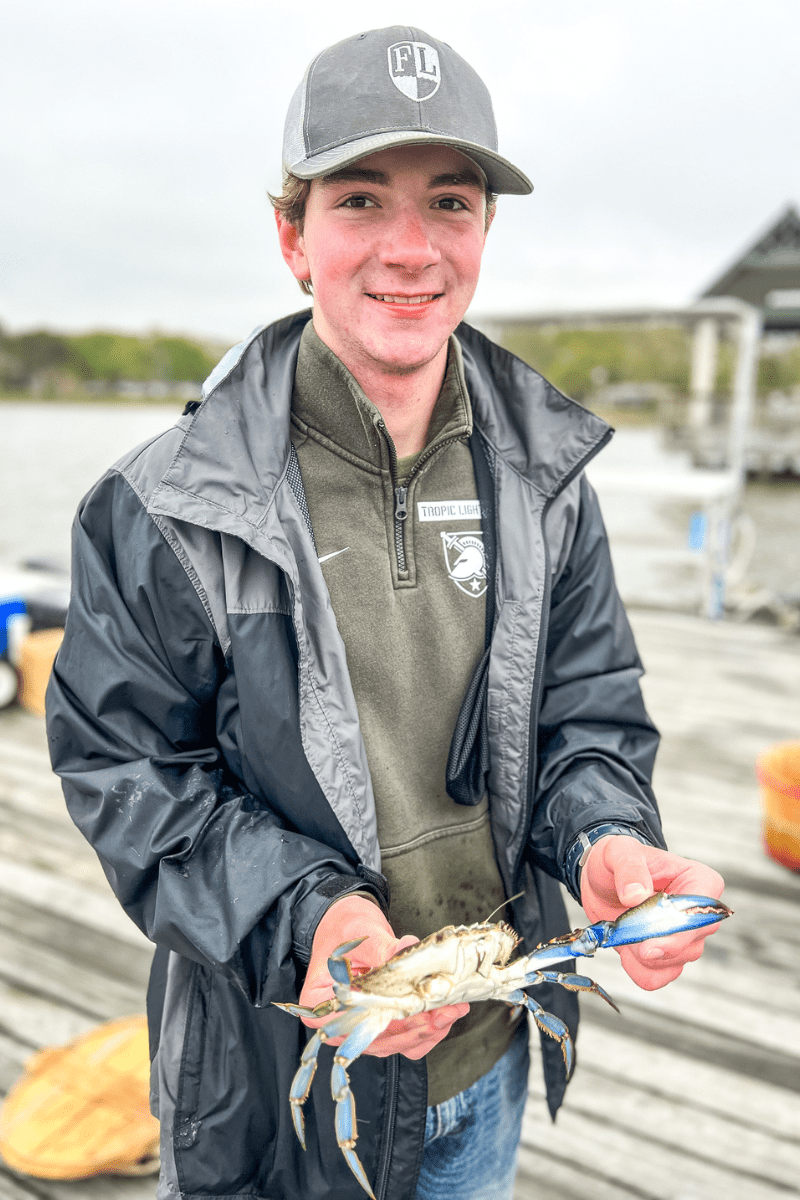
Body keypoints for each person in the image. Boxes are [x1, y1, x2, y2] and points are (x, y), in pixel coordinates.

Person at [46, 26, 725, 1200]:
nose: (410, 248)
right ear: (290, 237)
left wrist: (606, 837)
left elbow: (585, 720)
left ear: (484, 233)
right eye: (360, 198)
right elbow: (125, 769)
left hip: (487, 1058)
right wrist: (304, 914)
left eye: (448, 201)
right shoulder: (160, 506)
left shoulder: (546, 480)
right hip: (265, 1088)